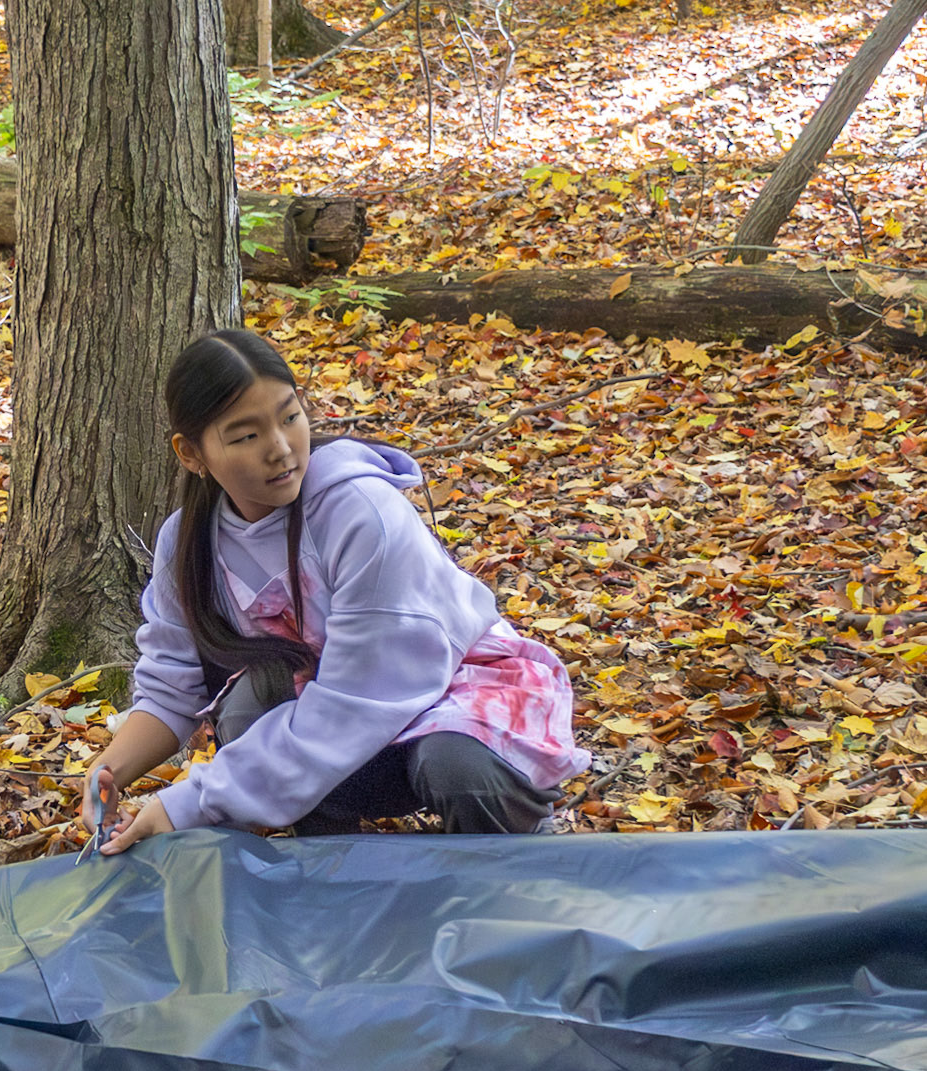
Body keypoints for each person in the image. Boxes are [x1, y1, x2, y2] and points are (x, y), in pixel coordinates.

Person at [81, 327, 588, 854]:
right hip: (343, 728)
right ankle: (335, 876)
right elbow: (172, 686)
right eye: (246, 435)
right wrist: (110, 768)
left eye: (290, 416)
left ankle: (514, 861)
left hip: (454, 699)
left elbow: (361, 695)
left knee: (457, 765)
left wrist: (188, 803)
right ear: (192, 454)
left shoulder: (362, 512)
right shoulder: (186, 543)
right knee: (246, 708)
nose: (280, 449)